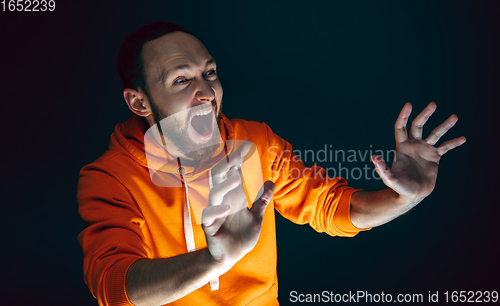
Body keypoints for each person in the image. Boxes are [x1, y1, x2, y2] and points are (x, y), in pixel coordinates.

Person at [77, 22, 466, 306]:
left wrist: (403, 198)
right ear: (139, 102)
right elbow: (114, 284)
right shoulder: (109, 176)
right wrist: (213, 261)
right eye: (181, 80)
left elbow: (329, 206)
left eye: (209, 74)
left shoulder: (257, 143)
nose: (207, 93)